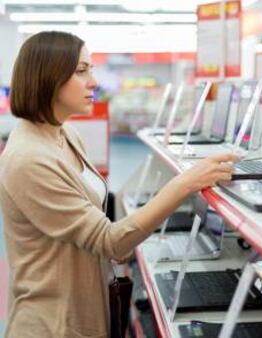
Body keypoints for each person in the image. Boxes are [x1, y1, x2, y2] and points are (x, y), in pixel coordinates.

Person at [0, 31, 239, 338]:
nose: (94, 82)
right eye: (81, 71)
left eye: (92, 70)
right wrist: (184, 184)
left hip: (84, 308)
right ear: (48, 78)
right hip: (53, 324)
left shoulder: (65, 135)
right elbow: (110, 241)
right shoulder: (28, 159)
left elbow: (93, 224)